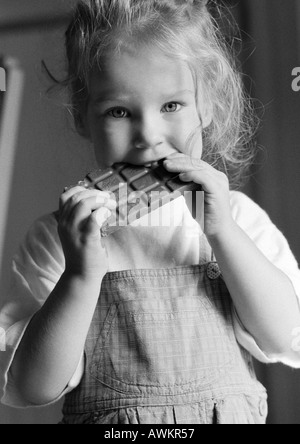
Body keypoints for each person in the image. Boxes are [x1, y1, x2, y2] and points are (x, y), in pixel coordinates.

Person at [1, 0, 300, 425]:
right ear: (83, 117)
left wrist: (225, 235)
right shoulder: (58, 239)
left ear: (207, 105)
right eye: (119, 111)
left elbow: (288, 340)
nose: (148, 136)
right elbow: (30, 387)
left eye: (172, 106)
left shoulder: (238, 219)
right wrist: (79, 277)